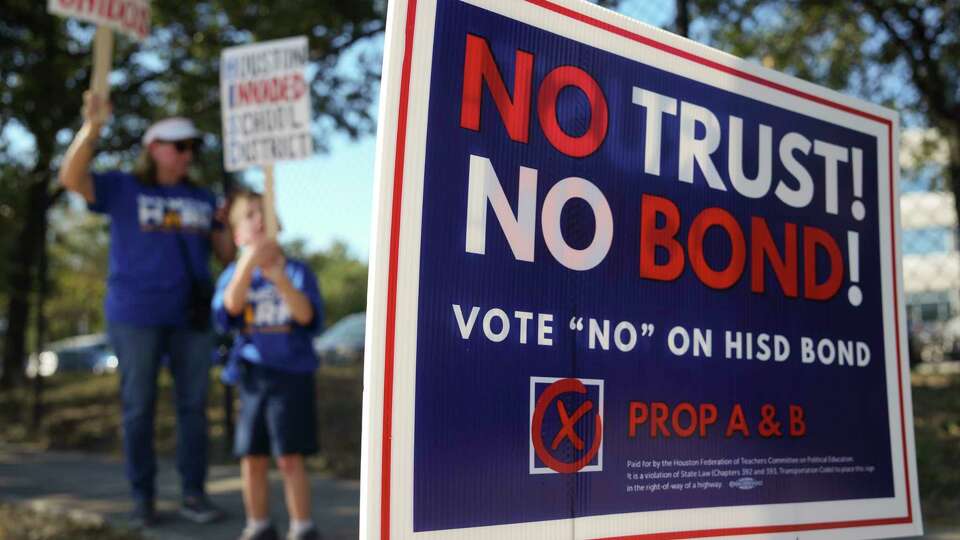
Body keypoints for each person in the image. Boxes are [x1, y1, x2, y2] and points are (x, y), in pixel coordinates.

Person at [59, 91, 234, 527]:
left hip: (191, 319)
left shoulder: (204, 196)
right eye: (180, 146)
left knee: (193, 408)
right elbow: (71, 177)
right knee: (138, 407)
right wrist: (92, 129)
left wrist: (229, 225)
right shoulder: (123, 187)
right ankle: (143, 499)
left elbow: (226, 255)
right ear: (154, 149)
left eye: (192, 147)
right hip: (134, 316)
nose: (187, 154)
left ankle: (194, 495)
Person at [213, 191, 324, 540]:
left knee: (290, 456)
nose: (259, 220)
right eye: (249, 215)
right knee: (252, 455)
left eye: (265, 213)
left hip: (291, 375)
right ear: (237, 234)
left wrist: (280, 279)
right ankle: (258, 524)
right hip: (252, 377)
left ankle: (302, 526)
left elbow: (306, 315)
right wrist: (248, 263)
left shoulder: (296, 270)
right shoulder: (234, 274)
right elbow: (230, 307)